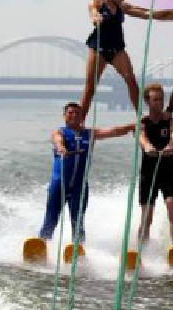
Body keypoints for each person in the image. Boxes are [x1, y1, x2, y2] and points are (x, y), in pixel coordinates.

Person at [79, 0, 173, 122]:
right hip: (98, 48)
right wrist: (96, 18)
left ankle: (140, 117)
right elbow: (93, 13)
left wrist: (156, 14)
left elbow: (141, 12)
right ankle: (80, 121)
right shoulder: (96, 3)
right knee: (90, 86)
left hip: (117, 49)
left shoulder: (120, 5)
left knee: (130, 79)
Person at [38, 102, 136, 242]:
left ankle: (78, 246)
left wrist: (132, 126)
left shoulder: (89, 134)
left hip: (80, 186)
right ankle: (42, 243)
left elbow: (114, 131)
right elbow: (57, 141)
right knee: (51, 219)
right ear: (64, 115)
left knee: (78, 222)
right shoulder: (59, 132)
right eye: (70, 113)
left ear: (81, 117)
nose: (74, 115)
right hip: (59, 185)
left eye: (77, 113)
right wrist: (61, 148)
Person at [137, 83, 173, 246]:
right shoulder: (142, 122)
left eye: (161, 99)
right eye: (155, 100)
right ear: (147, 102)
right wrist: (147, 147)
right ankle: (142, 250)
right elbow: (141, 137)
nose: (159, 103)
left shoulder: (172, 121)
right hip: (148, 173)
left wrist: (171, 145)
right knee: (147, 216)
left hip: (169, 172)